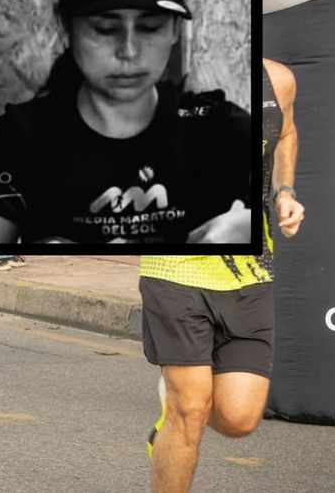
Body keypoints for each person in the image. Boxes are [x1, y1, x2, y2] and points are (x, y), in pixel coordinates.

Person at [0, 0, 250, 246]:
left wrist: (255, 227)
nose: (129, 51)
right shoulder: (22, 136)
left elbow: (288, 210)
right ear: (65, 26)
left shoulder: (220, 130)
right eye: (105, 29)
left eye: (149, 27)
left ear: (175, 31)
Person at [140, 59, 304, 492]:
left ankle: (174, 414)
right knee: (191, 410)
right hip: (174, 267)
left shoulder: (278, 80)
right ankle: (180, 411)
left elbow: (286, 133)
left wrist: (285, 192)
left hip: (251, 271)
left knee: (238, 418)